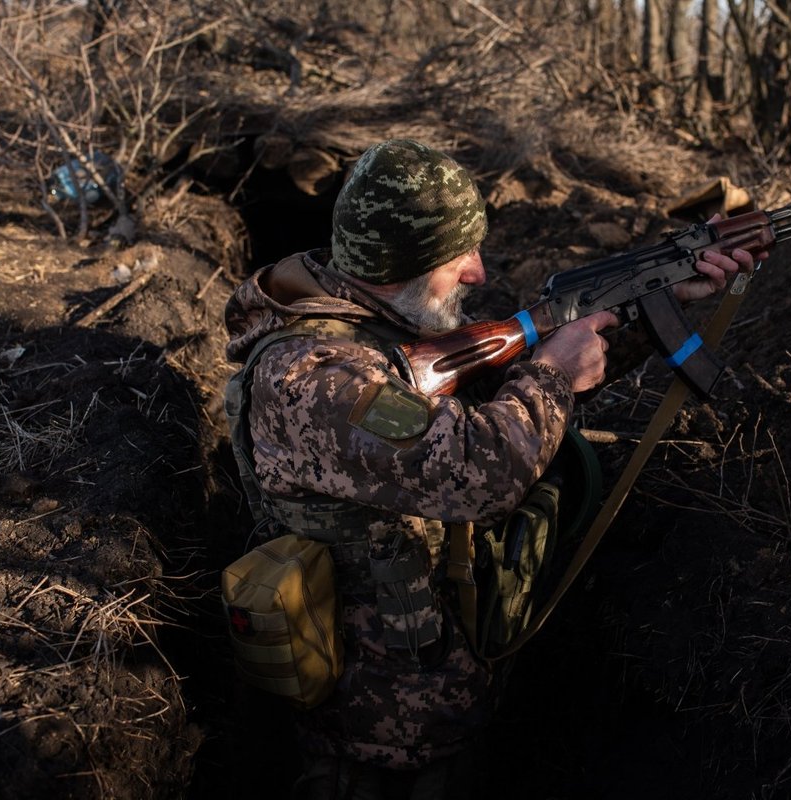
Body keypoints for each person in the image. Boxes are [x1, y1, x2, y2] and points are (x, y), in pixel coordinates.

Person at [222, 139, 754, 799]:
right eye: (458, 257)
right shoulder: (314, 378)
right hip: (376, 735)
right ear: (398, 265)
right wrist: (551, 370)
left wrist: (655, 301)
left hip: (450, 680)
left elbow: (519, 408)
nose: (477, 273)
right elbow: (481, 465)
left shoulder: (392, 326)